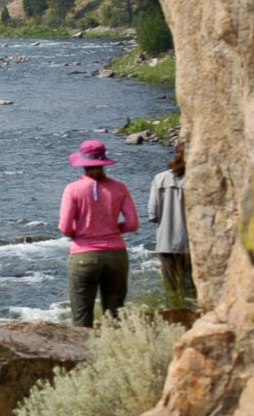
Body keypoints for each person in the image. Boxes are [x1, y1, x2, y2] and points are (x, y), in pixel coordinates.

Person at [59, 137, 139, 326]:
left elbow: (64, 227)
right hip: (116, 255)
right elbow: (133, 224)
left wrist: (77, 231)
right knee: (115, 315)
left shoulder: (73, 189)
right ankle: (115, 351)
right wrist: (113, 228)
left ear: (82, 164)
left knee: (81, 317)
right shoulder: (119, 187)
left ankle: (84, 354)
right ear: (104, 162)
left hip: (83, 255)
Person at [148, 145, 193, 302]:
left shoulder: (159, 179)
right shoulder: (196, 179)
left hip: (166, 242)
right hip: (191, 243)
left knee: (172, 291)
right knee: (192, 290)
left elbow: (152, 214)